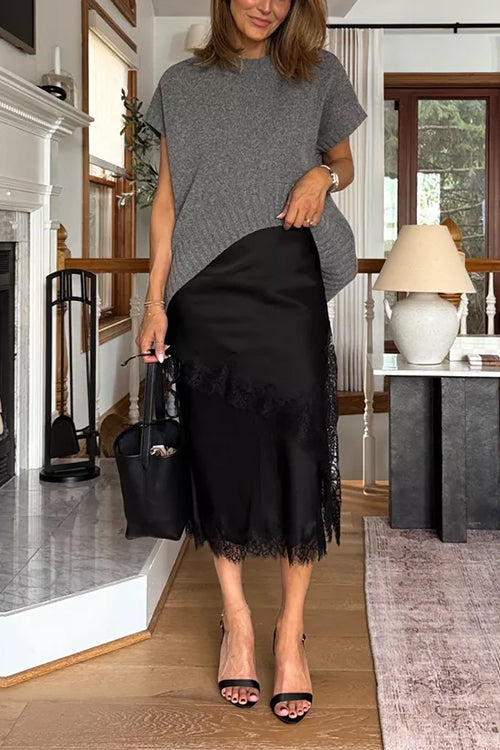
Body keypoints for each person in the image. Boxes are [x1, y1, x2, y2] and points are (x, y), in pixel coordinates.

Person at [138, 0, 366, 725]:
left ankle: (289, 630)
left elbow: (343, 163)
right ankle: (237, 619)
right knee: (221, 449)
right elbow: (166, 201)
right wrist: (154, 301)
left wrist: (321, 177)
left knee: (300, 445)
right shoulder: (180, 84)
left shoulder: (319, 73)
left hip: (286, 278)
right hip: (204, 292)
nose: (267, 5)